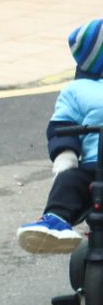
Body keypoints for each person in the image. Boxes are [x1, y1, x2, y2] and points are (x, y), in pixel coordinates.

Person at [17, 18, 103, 253]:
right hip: (96, 167)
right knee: (70, 181)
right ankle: (55, 222)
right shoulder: (77, 91)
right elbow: (62, 125)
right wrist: (66, 157)